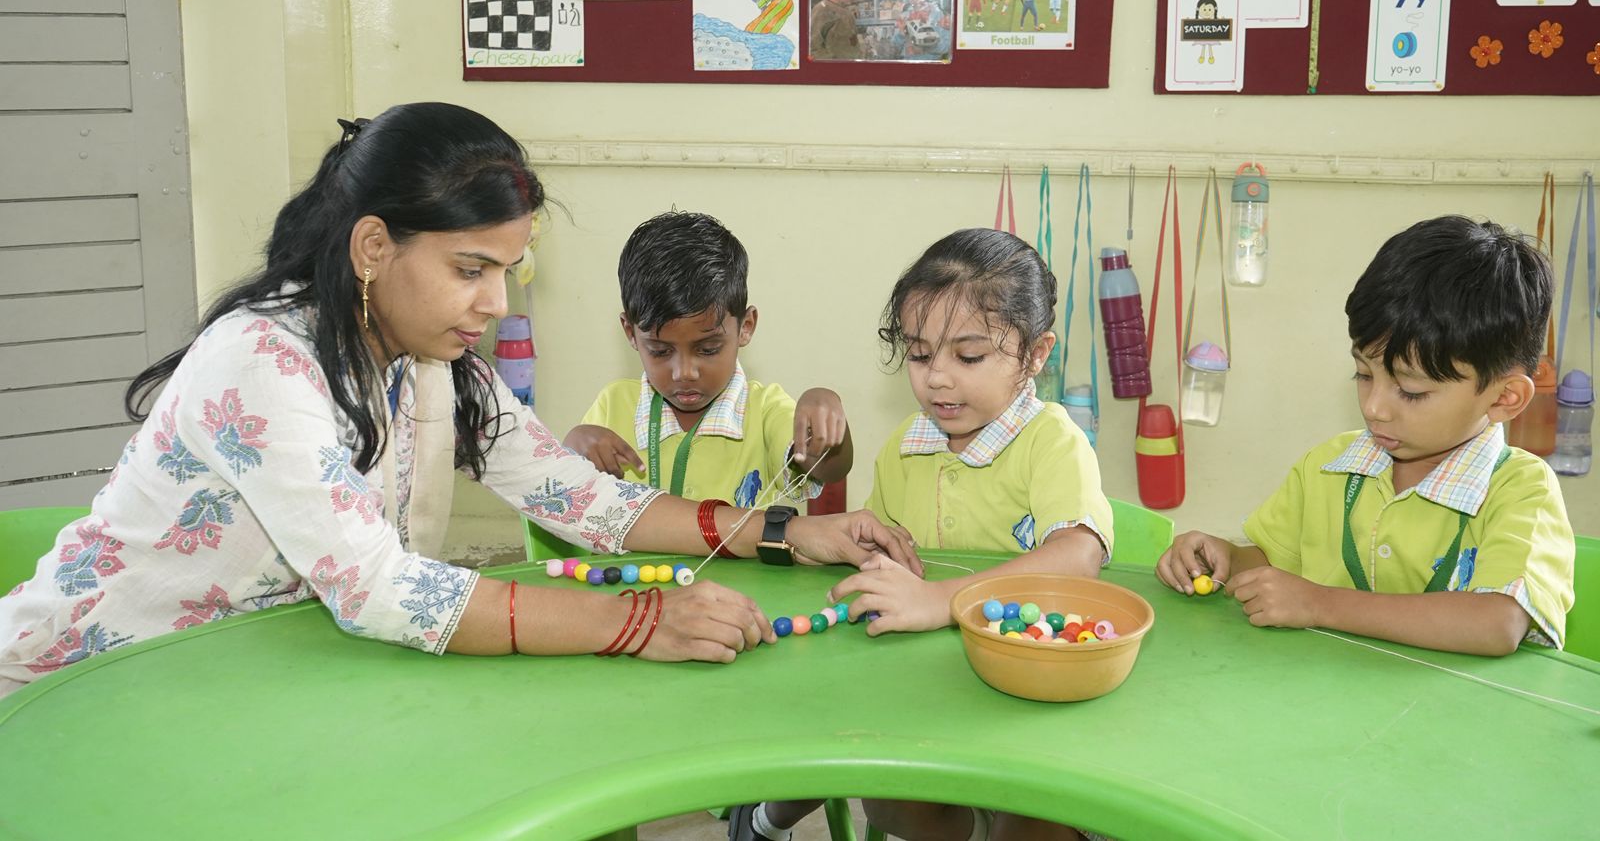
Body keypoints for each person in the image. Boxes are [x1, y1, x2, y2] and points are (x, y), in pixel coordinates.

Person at [0, 104, 916, 696]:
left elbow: (581, 497)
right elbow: (377, 587)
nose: (496, 303)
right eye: (471, 269)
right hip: (83, 691)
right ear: (373, 249)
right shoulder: (261, 362)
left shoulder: (432, 360)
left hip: (241, 682)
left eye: (508, 271)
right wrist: (639, 622)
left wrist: (786, 533)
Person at [732, 228, 1111, 841]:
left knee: (1036, 818)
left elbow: (1078, 557)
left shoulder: (1052, 442)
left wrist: (940, 600)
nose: (937, 379)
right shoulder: (904, 449)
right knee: (893, 803)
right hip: (924, 696)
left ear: (1036, 354)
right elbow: (886, 567)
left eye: (968, 357)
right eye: (919, 354)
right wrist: (867, 555)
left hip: (1031, 699)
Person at [1157, 216, 1576, 657]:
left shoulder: (1522, 490)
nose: (1374, 406)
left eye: (1411, 391)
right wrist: (1224, 558)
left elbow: (1496, 623)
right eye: (1363, 374)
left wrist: (1320, 604)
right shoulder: (1326, 467)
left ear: (1504, 398)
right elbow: (1273, 566)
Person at [566, 211, 853, 509]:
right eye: (660, 351)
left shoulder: (767, 411)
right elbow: (565, 497)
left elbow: (828, 468)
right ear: (630, 332)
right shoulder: (613, 405)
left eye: (708, 349)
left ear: (746, 327)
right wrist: (572, 448)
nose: (684, 372)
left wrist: (827, 415)